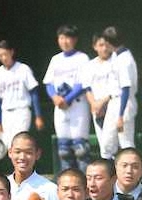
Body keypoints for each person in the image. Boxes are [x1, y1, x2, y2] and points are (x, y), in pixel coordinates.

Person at [43, 25, 90, 170]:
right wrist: (55, 97)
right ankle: (68, 185)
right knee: (63, 149)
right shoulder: (55, 59)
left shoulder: (82, 58)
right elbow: (48, 83)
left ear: (75, 39)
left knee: (80, 149)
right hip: (60, 107)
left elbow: (83, 84)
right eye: (61, 38)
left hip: (77, 105)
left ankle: (85, 186)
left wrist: (67, 99)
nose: (64, 41)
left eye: (68, 38)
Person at [82, 31, 132, 159]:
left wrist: (103, 102)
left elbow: (119, 88)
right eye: (100, 45)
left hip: (113, 104)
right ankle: (110, 176)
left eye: (106, 44)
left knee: (122, 145)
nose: (104, 48)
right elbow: (87, 87)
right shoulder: (89, 65)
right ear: (94, 46)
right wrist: (94, 104)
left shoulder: (117, 59)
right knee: (105, 145)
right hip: (98, 109)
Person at [0, 40, 44, 144]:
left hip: (22, 111)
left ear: (12, 52)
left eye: (6, 54)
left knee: (20, 141)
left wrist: (38, 116)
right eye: (1, 55)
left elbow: (34, 93)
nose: (4, 58)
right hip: (6, 113)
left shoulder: (23, 69)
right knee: (9, 145)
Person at [103, 27, 138, 150]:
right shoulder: (116, 56)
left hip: (123, 102)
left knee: (126, 142)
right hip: (114, 101)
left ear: (108, 42)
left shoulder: (125, 59)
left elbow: (126, 89)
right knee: (107, 144)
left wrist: (120, 116)